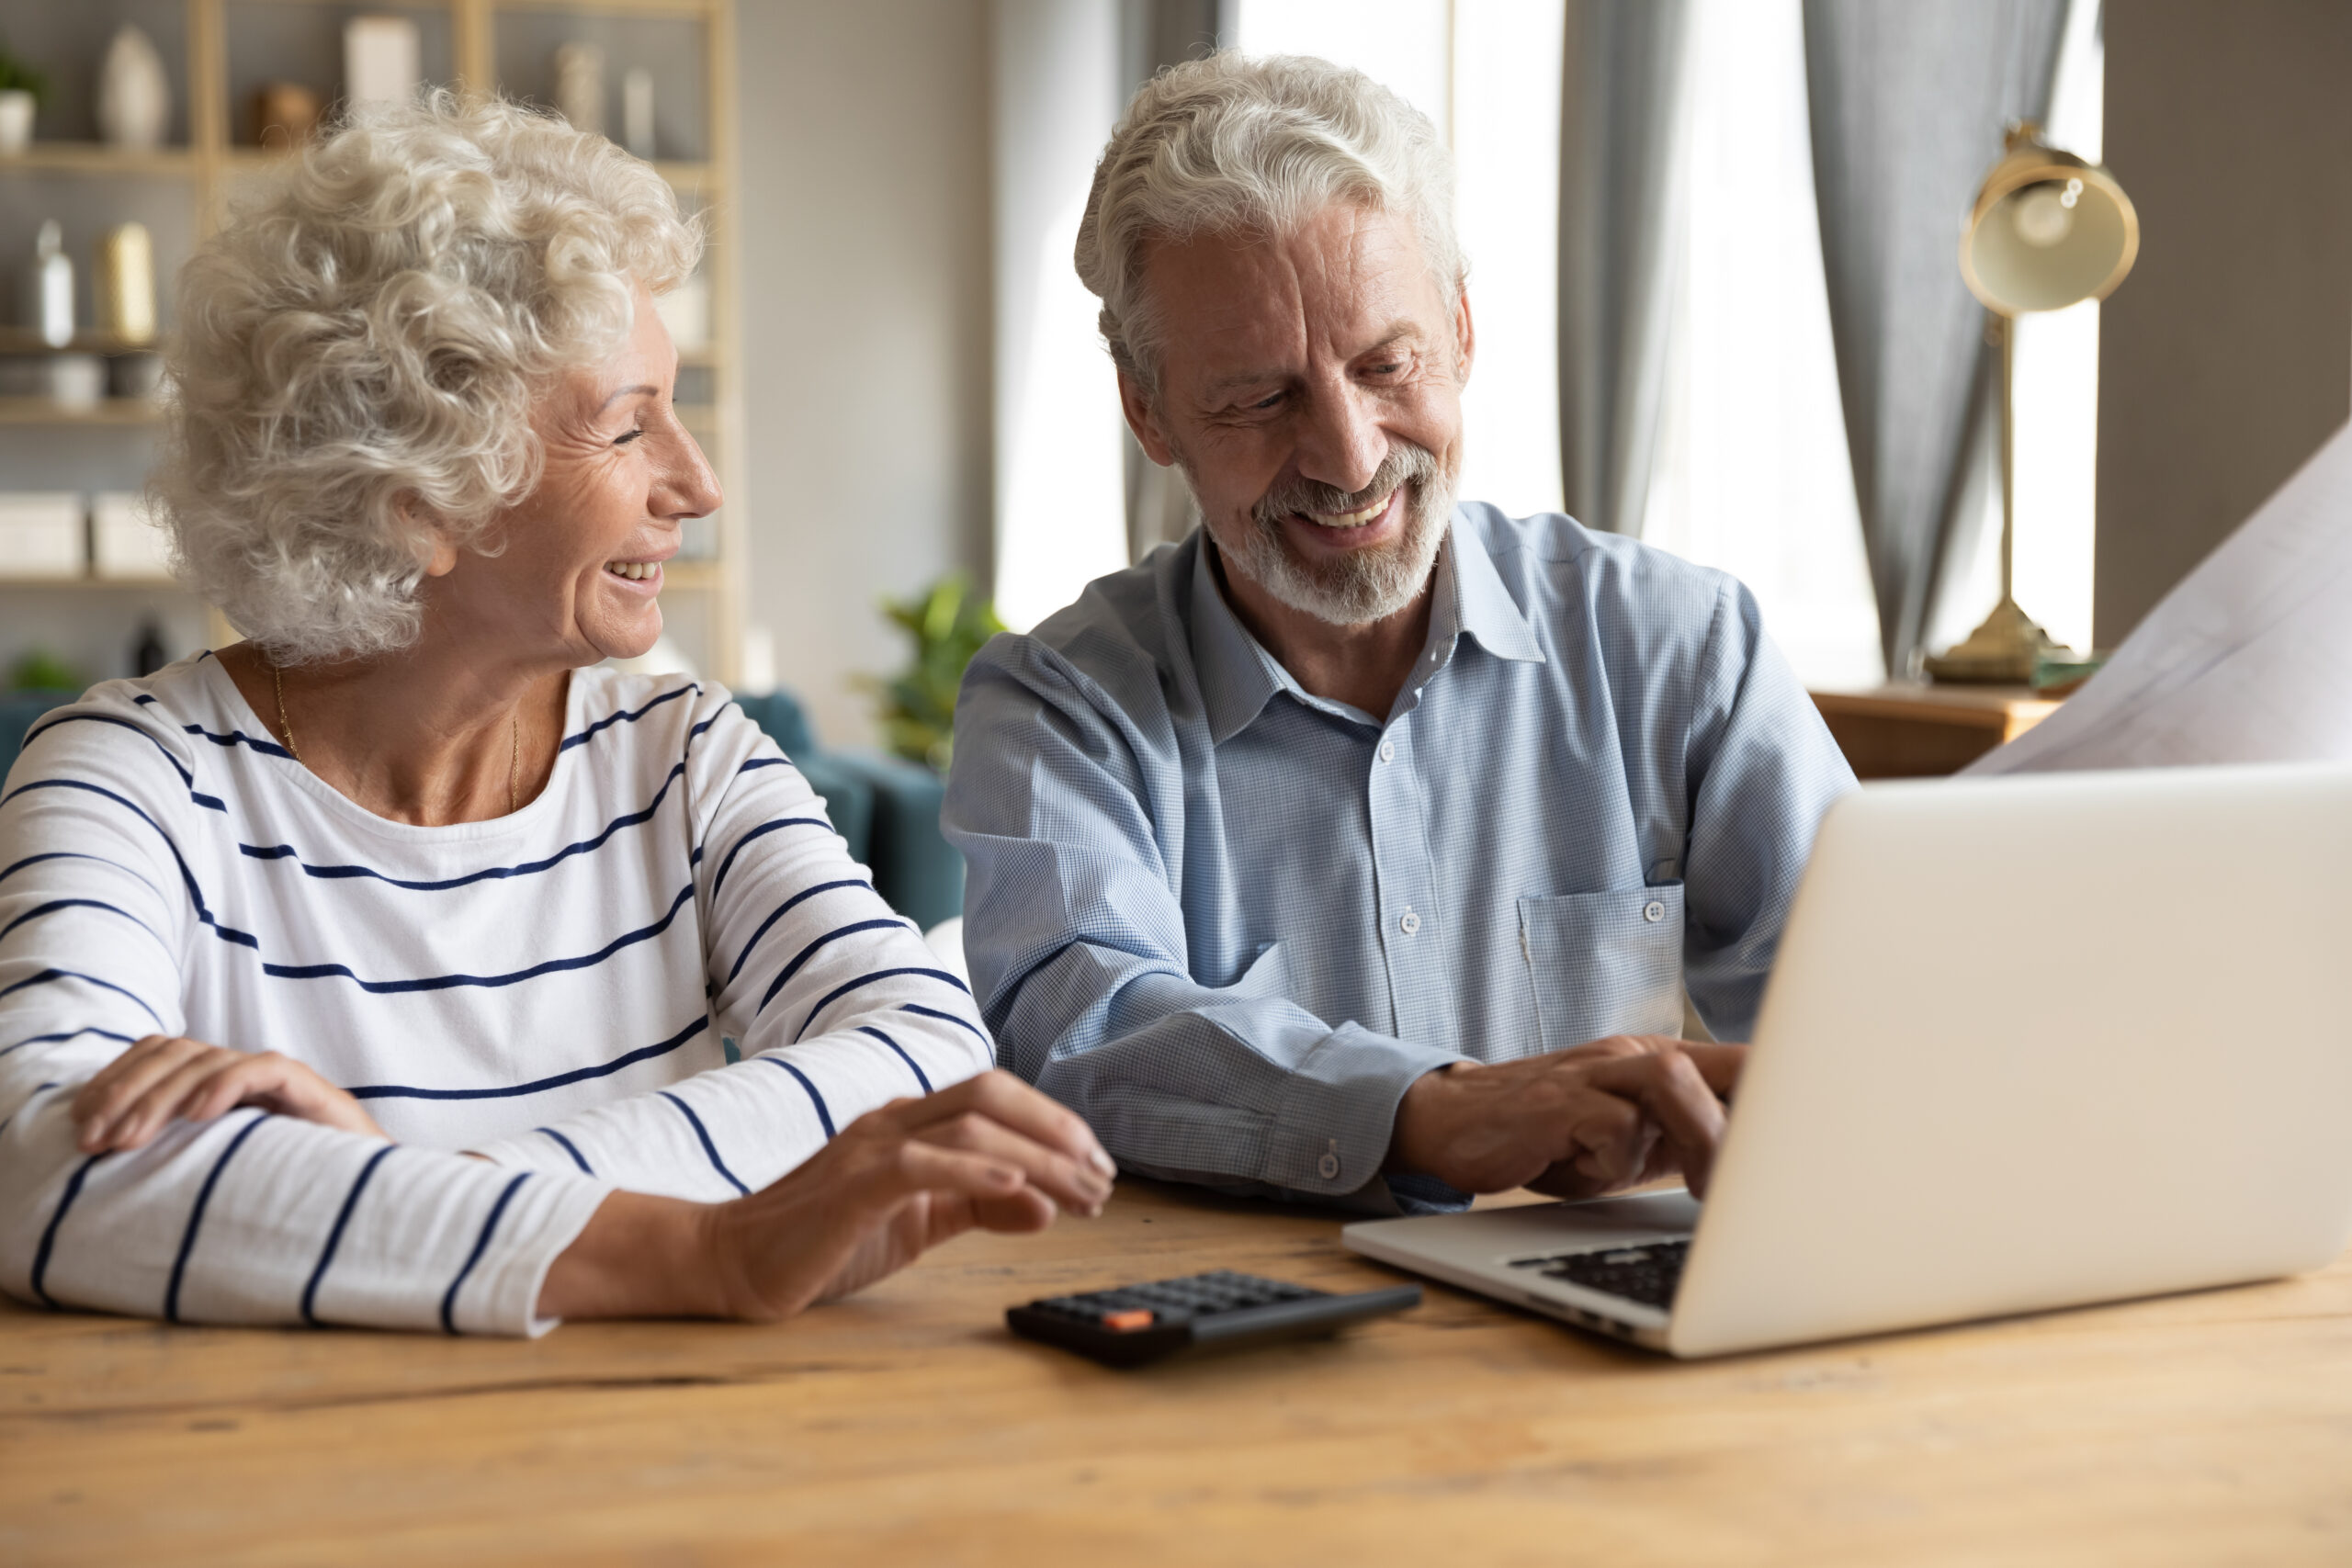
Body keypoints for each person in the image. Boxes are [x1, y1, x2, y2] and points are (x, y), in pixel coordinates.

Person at [0, 95, 1113, 1336]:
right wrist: (697, 1248)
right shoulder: (130, 778)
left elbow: (930, 1056)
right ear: (418, 491)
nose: (699, 481)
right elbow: (41, 1170)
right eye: (630, 424)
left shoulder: (684, 756)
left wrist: (420, 1196)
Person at [944, 53, 1855, 1215]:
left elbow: (1869, 1018)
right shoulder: (1057, 710)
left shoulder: (1683, 650)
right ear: (1149, 410)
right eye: (1256, 399)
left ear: (1463, 331)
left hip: (1616, 1356)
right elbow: (1087, 1030)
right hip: (1244, 1359)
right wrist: (1436, 1111)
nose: (1350, 457)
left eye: (1387, 364)